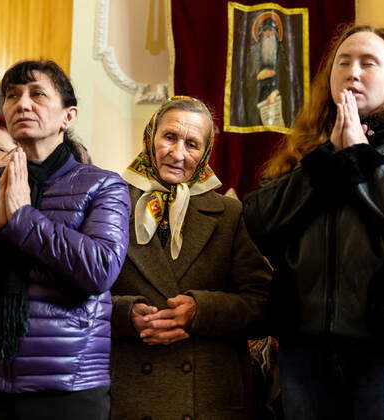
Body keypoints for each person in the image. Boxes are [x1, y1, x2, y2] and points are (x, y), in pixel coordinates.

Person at [244, 25, 384, 419]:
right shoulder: (304, 153)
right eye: (343, 61)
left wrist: (359, 154)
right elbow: (259, 222)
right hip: (306, 349)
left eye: (368, 62)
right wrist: (327, 158)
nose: (353, 72)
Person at [0, 60, 130, 420]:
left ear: (68, 116)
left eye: (38, 94)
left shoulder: (103, 185)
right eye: (12, 96)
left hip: (66, 384)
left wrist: (22, 218)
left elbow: (100, 271)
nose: (22, 104)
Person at [110, 96, 272, 419]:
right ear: (150, 136)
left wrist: (200, 310)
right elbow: (80, 295)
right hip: (129, 390)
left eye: (192, 144)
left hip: (209, 396)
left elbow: (264, 306)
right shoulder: (110, 203)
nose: (177, 153)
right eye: (169, 137)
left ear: (206, 153)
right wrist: (126, 315)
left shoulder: (230, 214)